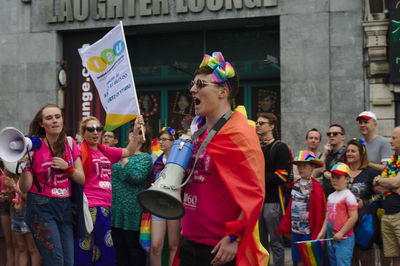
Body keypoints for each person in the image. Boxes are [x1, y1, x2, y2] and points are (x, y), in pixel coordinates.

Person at [179, 51, 267, 265]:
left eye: (200, 84)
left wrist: (233, 238)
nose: (192, 90)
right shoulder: (197, 131)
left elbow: (255, 194)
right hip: (188, 239)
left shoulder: (240, 135)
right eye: (193, 83)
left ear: (222, 92)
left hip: (219, 248)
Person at [19, 103, 85, 266]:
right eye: (49, 118)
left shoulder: (70, 144)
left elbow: (81, 178)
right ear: (41, 124)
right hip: (41, 206)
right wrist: (25, 166)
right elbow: (24, 188)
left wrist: (67, 168)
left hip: (65, 208)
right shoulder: (34, 146)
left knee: (68, 262)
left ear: (62, 120)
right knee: (55, 261)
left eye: (58, 117)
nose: (55, 121)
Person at [74, 115, 143, 265]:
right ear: (83, 132)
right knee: (85, 250)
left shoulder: (104, 150)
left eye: (98, 129)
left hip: (104, 207)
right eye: (90, 129)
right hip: (89, 206)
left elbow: (129, 151)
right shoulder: (79, 151)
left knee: (106, 250)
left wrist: (136, 130)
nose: (95, 132)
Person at [111, 126, 153, 266]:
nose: (135, 133)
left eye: (140, 132)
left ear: (145, 139)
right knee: (118, 251)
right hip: (115, 209)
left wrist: (124, 159)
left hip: (133, 212)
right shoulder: (118, 153)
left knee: (134, 252)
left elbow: (135, 177)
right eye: (133, 131)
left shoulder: (145, 158)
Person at [277, 151, 326, 266]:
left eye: (304, 165)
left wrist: (318, 231)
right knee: (297, 259)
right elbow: (291, 206)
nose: (301, 168)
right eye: (299, 166)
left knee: (310, 259)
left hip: (308, 230)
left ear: (312, 167)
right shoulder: (295, 184)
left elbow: (320, 211)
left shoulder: (316, 187)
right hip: (295, 230)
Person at [256, 112, 291, 266]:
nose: (257, 125)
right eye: (257, 122)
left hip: (273, 202)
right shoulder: (256, 147)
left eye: (261, 123)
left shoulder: (280, 147)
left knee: (275, 242)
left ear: (271, 126)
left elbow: (283, 176)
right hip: (257, 202)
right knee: (261, 243)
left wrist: (258, 176)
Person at [150, 126, 181, 266]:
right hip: (159, 205)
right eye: (159, 140)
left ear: (173, 142)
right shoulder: (157, 161)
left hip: (174, 205)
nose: (160, 142)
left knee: (174, 245)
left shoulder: (182, 161)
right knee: (156, 245)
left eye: (164, 140)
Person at [317, 163, 358, 266]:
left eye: (338, 177)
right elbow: (328, 216)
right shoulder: (331, 196)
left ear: (347, 179)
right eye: (332, 177)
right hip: (331, 238)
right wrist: (322, 232)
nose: (334, 180)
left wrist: (341, 233)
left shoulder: (349, 196)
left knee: (342, 263)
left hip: (344, 239)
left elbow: (354, 217)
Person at [345, 138, 378, 265]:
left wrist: (365, 203)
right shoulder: (343, 171)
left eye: (353, 151)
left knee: (365, 257)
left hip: (364, 222)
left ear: (361, 154)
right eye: (348, 151)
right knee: (351, 256)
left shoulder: (370, 173)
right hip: (346, 222)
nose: (349, 153)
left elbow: (381, 196)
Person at [372, 126, 400, 265]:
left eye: (394, 138)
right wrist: (389, 185)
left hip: (399, 216)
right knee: (394, 256)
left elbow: (395, 182)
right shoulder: (392, 162)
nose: (390, 141)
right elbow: (376, 188)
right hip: (387, 215)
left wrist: (381, 180)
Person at [2, 171, 41, 266]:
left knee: (32, 249)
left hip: (26, 214)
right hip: (16, 213)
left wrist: (14, 186)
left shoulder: (31, 175)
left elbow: (29, 197)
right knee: (21, 248)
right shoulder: (17, 176)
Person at [315, 124, 347, 198]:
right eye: (329, 134)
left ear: (343, 136)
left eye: (335, 133)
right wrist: (324, 155)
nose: (331, 135)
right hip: (327, 197)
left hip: (341, 196)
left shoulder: (347, 153)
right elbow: (315, 173)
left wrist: (325, 172)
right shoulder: (328, 153)